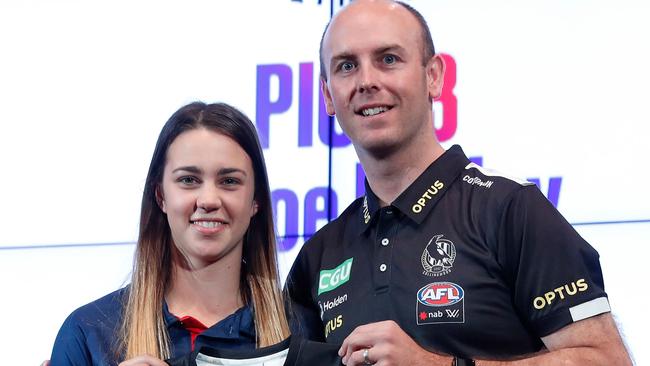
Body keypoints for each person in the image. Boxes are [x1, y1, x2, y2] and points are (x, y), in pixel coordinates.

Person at [285, 1, 632, 365]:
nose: (367, 81)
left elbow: (608, 359)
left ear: (434, 76)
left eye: (388, 59)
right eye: (347, 66)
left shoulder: (511, 209)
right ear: (327, 95)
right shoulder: (319, 256)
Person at [50, 102, 290, 365]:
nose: (208, 200)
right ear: (161, 196)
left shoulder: (299, 330)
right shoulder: (88, 333)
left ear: (256, 200)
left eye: (229, 181)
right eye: (188, 180)